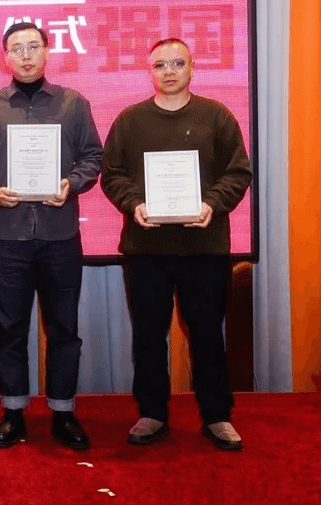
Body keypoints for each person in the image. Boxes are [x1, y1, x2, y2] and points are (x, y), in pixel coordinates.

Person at [101, 38, 252, 452]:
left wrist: (212, 203)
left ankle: (217, 415)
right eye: (160, 65)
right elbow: (112, 174)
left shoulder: (216, 116)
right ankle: (151, 412)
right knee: (148, 335)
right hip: (145, 249)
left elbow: (238, 172)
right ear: (149, 72)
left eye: (177, 63)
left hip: (204, 247)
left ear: (192, 68)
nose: (169, 71)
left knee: (207, 334)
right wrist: (134, 203)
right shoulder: (130, 120)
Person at [0, 21, 102, 451]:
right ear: (4, 56)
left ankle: (63, 411)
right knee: (10, 329)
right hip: (8, 237)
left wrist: (71, 184)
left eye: (33, 46)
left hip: (60, 235)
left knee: (64, 329)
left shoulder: (73, 104)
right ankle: (13, 411)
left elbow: (92, 157)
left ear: (47, 51)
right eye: (17, 48)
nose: (25, 55)